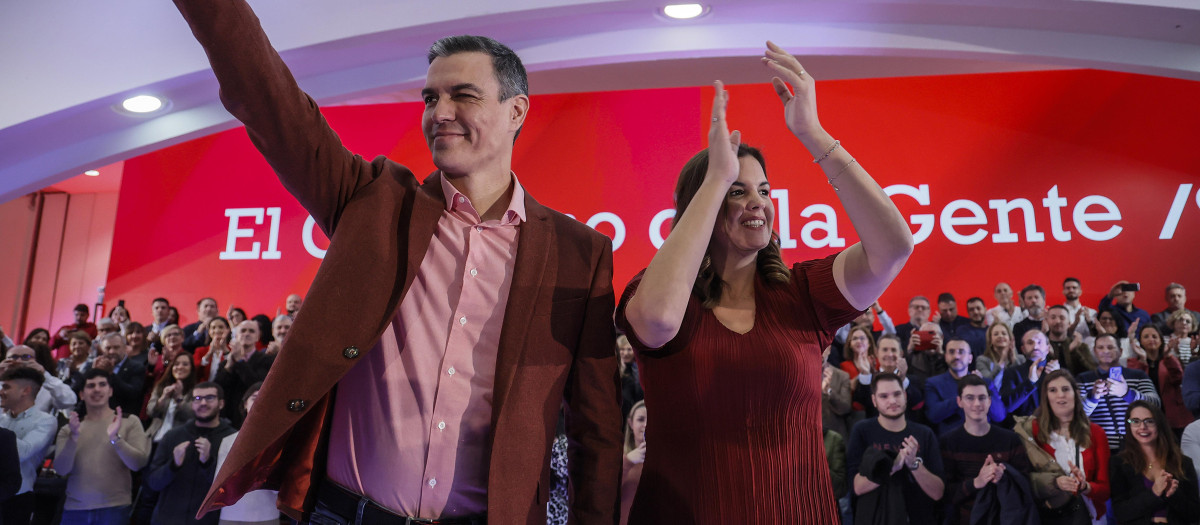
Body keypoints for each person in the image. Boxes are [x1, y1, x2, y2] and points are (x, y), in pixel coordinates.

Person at [173, 1, 622, 522]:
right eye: (431, 97)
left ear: (516, 111)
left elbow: (597, 429)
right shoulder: (375, 201)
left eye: (464, 96)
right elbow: (266, 99)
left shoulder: (578, 253)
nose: (440, 112)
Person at [616, 43, 912, 522]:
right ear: (703, 206)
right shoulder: (657, 293)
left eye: (764, 190)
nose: (757, 202)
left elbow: (894, 247)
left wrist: (814, 135)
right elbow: (655, 321)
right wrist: (716, 179)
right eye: (738, 190)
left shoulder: (804, 293)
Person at [54, 368, 152, 524]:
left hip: (114, 509)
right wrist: (73, 438)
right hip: (75, 510)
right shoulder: (69, 429)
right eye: (91, 386)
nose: (97, 389)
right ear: (82, 394)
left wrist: (115, 439)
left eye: (102, 384)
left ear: (110, 391)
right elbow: (61, 469)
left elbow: (138, 464)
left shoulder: (129, 421)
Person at [1014, 370, 1110, 524]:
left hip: (1092, 517)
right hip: (1051, 516)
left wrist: (1085, 487)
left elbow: (1105, 490)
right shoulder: (1032, 431)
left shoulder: (1096, 432)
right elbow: (1022, 481)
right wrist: (1055, 482)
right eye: (1053, 390)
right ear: (1046, 397)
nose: (1060, 395)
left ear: (1075, 394)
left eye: (1065, 389)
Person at [846, 373, 943, 524]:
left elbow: (938, 492)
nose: (892, 401)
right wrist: (893, 466)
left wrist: (913, 464)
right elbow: (857, 487)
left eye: (897, 394)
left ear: (905, 395)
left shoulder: (924, 433)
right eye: (884, 396)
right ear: (874, 400)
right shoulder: (862, 431)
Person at [939, 374, 1034, 525]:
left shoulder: (1010, 439)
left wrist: (1004, 477)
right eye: (970, 398)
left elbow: (1026, 486)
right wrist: (977, 482)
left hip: (1005, 518)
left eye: (982, 398)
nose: (977, 403)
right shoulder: (948, 442)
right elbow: (945, 494)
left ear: (989, 401)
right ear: (959, 402)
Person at [145, 382, 236, 525]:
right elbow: (153, 483)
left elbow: (230, 490)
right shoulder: (172, 436)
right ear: (191, 403)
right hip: (166, 519)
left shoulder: (232, 439)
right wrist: (173, 465)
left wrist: (208, 462)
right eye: (198, 399)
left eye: (210, 398)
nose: (203, 403)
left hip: (206, 521)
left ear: (221, 403)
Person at [1110, 400, 1200, 524]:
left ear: (1159, 424)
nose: (1142, 427)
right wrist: (1154, 493)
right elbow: (1121, 513)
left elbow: (1194, 515)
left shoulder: (1183, 463)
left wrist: (1173, 495)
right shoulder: (1118, 463)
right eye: (1135, 421)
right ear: (1129, 426)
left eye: (1149, 421)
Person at [1077, 334, 1160, 450]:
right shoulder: (1083, 379)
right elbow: (1077, 415)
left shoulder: (1138, 375)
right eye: (1100, 347)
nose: (1105, 351)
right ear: (1095, 352)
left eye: (1110, 347)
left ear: (1120, 351)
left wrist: (1127, 394)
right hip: (1100, 446)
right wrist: (1093, 397)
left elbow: (1155, 405)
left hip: (1136, 445)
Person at [215, 383, 280, 525]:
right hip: (231, 514)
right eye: (255, 398)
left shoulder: (278, 441)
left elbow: (280, 486)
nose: (260, 402)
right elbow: (219, 483)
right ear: (245, 404)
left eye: (266, 398)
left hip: (266, 514)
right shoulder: (228, 441)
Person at [0, 367, 57, 525]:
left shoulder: (45, 421)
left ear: (25, 390)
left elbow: (22, 452)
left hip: (19, 497)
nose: (1, 391)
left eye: (6, 387)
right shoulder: (2, 419)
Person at [924, 337, 1003, 434]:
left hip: (983, 441)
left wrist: (981, 388)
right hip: (950, 442)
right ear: (945, 357)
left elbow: (1000, 416)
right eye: (951, 352)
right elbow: (933, 415)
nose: (956, 356)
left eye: (961, 352)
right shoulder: (933, 383)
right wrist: (964, 396)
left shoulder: (985, 383)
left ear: (970, 358)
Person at [1127, 324, 1192, 436]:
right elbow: (1134, 385)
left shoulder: (1169, 360)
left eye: (1154, 336)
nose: (1151, 339)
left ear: (1161, 340)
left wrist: (1167, 356)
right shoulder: (1134, 362)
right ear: (1140, 342)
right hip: (1147, 416)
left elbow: (1178, 379)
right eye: (1146, 336)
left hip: (1173, 416)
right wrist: (1142, 360)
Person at [0, 344, 76, 415]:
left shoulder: (47, 385)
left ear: (35, 361)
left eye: (25, 357)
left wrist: (44, 375)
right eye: (14, 357)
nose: (19, 361)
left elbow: (69, 401)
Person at [145, 352, 197, 443]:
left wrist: (179, 398)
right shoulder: (161, 387)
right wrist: (162, 398)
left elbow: (191, 415)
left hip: (179, 441)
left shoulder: (195, 391)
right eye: (176, 364)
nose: (180, 367)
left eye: (185, 364)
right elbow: (150, 412)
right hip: (154, 438)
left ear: (191, 369)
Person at [620, 401, 646, 525]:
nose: (646, 425)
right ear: (631, 423)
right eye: (641, 419)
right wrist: (629, 461)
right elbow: (605, 492)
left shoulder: (665, 459)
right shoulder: (621, 457)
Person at [192, 317, 232, 382]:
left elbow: (235, 370)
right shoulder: (200, 351)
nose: (217, 330)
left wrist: (225, 350)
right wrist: (209, 353)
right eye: (213, 328)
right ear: (209, 331)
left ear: (228, 330)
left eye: (221, 327)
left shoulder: (234, 350)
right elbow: (194, 371)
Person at [616, 334, 644, 421]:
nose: (625, 353)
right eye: (622, 349)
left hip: (636, 408)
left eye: (629, 349)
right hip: (620, 412)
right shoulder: (613, 370)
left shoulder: (638, 368)